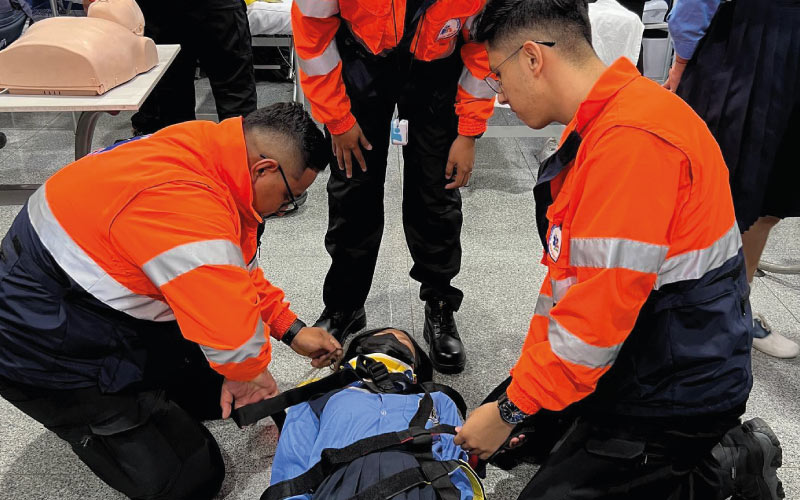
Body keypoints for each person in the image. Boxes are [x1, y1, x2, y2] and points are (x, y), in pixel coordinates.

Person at [453, 1, 784, 498]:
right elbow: (572, 286)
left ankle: (728, 464)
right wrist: (523, 390)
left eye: (496, 77)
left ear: (532, 59)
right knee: (521, 436)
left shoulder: (631, 144)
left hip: (677, 385)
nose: (499, 96)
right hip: (645, 343)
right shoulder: (608, 116)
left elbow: (593, 327)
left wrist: (508, 411)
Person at [0, 102, 341, 500]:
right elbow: (230, 325)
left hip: (83, 301)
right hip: (39, 348)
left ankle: (142, 390)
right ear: (264, 169)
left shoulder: (211, 153)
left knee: (215, 396)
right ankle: (83, 417)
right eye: (289, 196)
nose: (286, 208)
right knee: (192, 479)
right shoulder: (185, 202)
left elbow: (234, 270)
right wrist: (247, 371)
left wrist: (290, 329)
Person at [291, 0, 496, 373]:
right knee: (353, 187)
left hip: (438, 70)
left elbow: (483, 47)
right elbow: (312, 34)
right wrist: (337, 119)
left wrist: (468, 132)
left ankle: (440, 304)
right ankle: (345, 305)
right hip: (361, 63)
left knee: (436, 192)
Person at [663, 0, 800, 359]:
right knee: (720, 192)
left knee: (771, 200)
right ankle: (686, 312)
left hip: (785, 55)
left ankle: (735, 308)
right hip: (745, 51)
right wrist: (682, 60)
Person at [265, 327, 482, 500]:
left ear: (414, 367)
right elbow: (292, 468)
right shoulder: (317, 395)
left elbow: (456, 465)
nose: (392, 335)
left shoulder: (436, 399)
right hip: (338, 482)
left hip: (423, 480)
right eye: (380, 334)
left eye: (403, 339)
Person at [83, 0, 258, 135]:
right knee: (234, 97)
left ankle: (179, 170)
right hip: (208, 9)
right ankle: (243, 168)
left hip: (160, 10)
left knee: (169, 104)